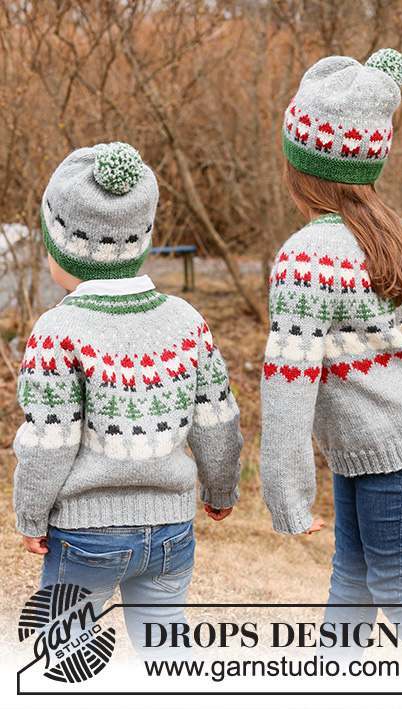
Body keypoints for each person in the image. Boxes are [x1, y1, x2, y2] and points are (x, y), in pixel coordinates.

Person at [260, 48, 402, 669]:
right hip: (400, 439)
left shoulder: (307, 257)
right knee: (353, 581)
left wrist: (287, 495)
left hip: (400, 451)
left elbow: (288, 383)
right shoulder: (384, 230)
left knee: (397, 591)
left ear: (300, 166)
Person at [13, 142, 242, 653]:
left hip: (85, 536)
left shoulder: (57, 330)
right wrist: (220, 488)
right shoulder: (186, 321)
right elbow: (217, 420)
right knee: (166, 654)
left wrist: (31, 513)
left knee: (64, 654)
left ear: (64, 246)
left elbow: (49, 442)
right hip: (170, 532)